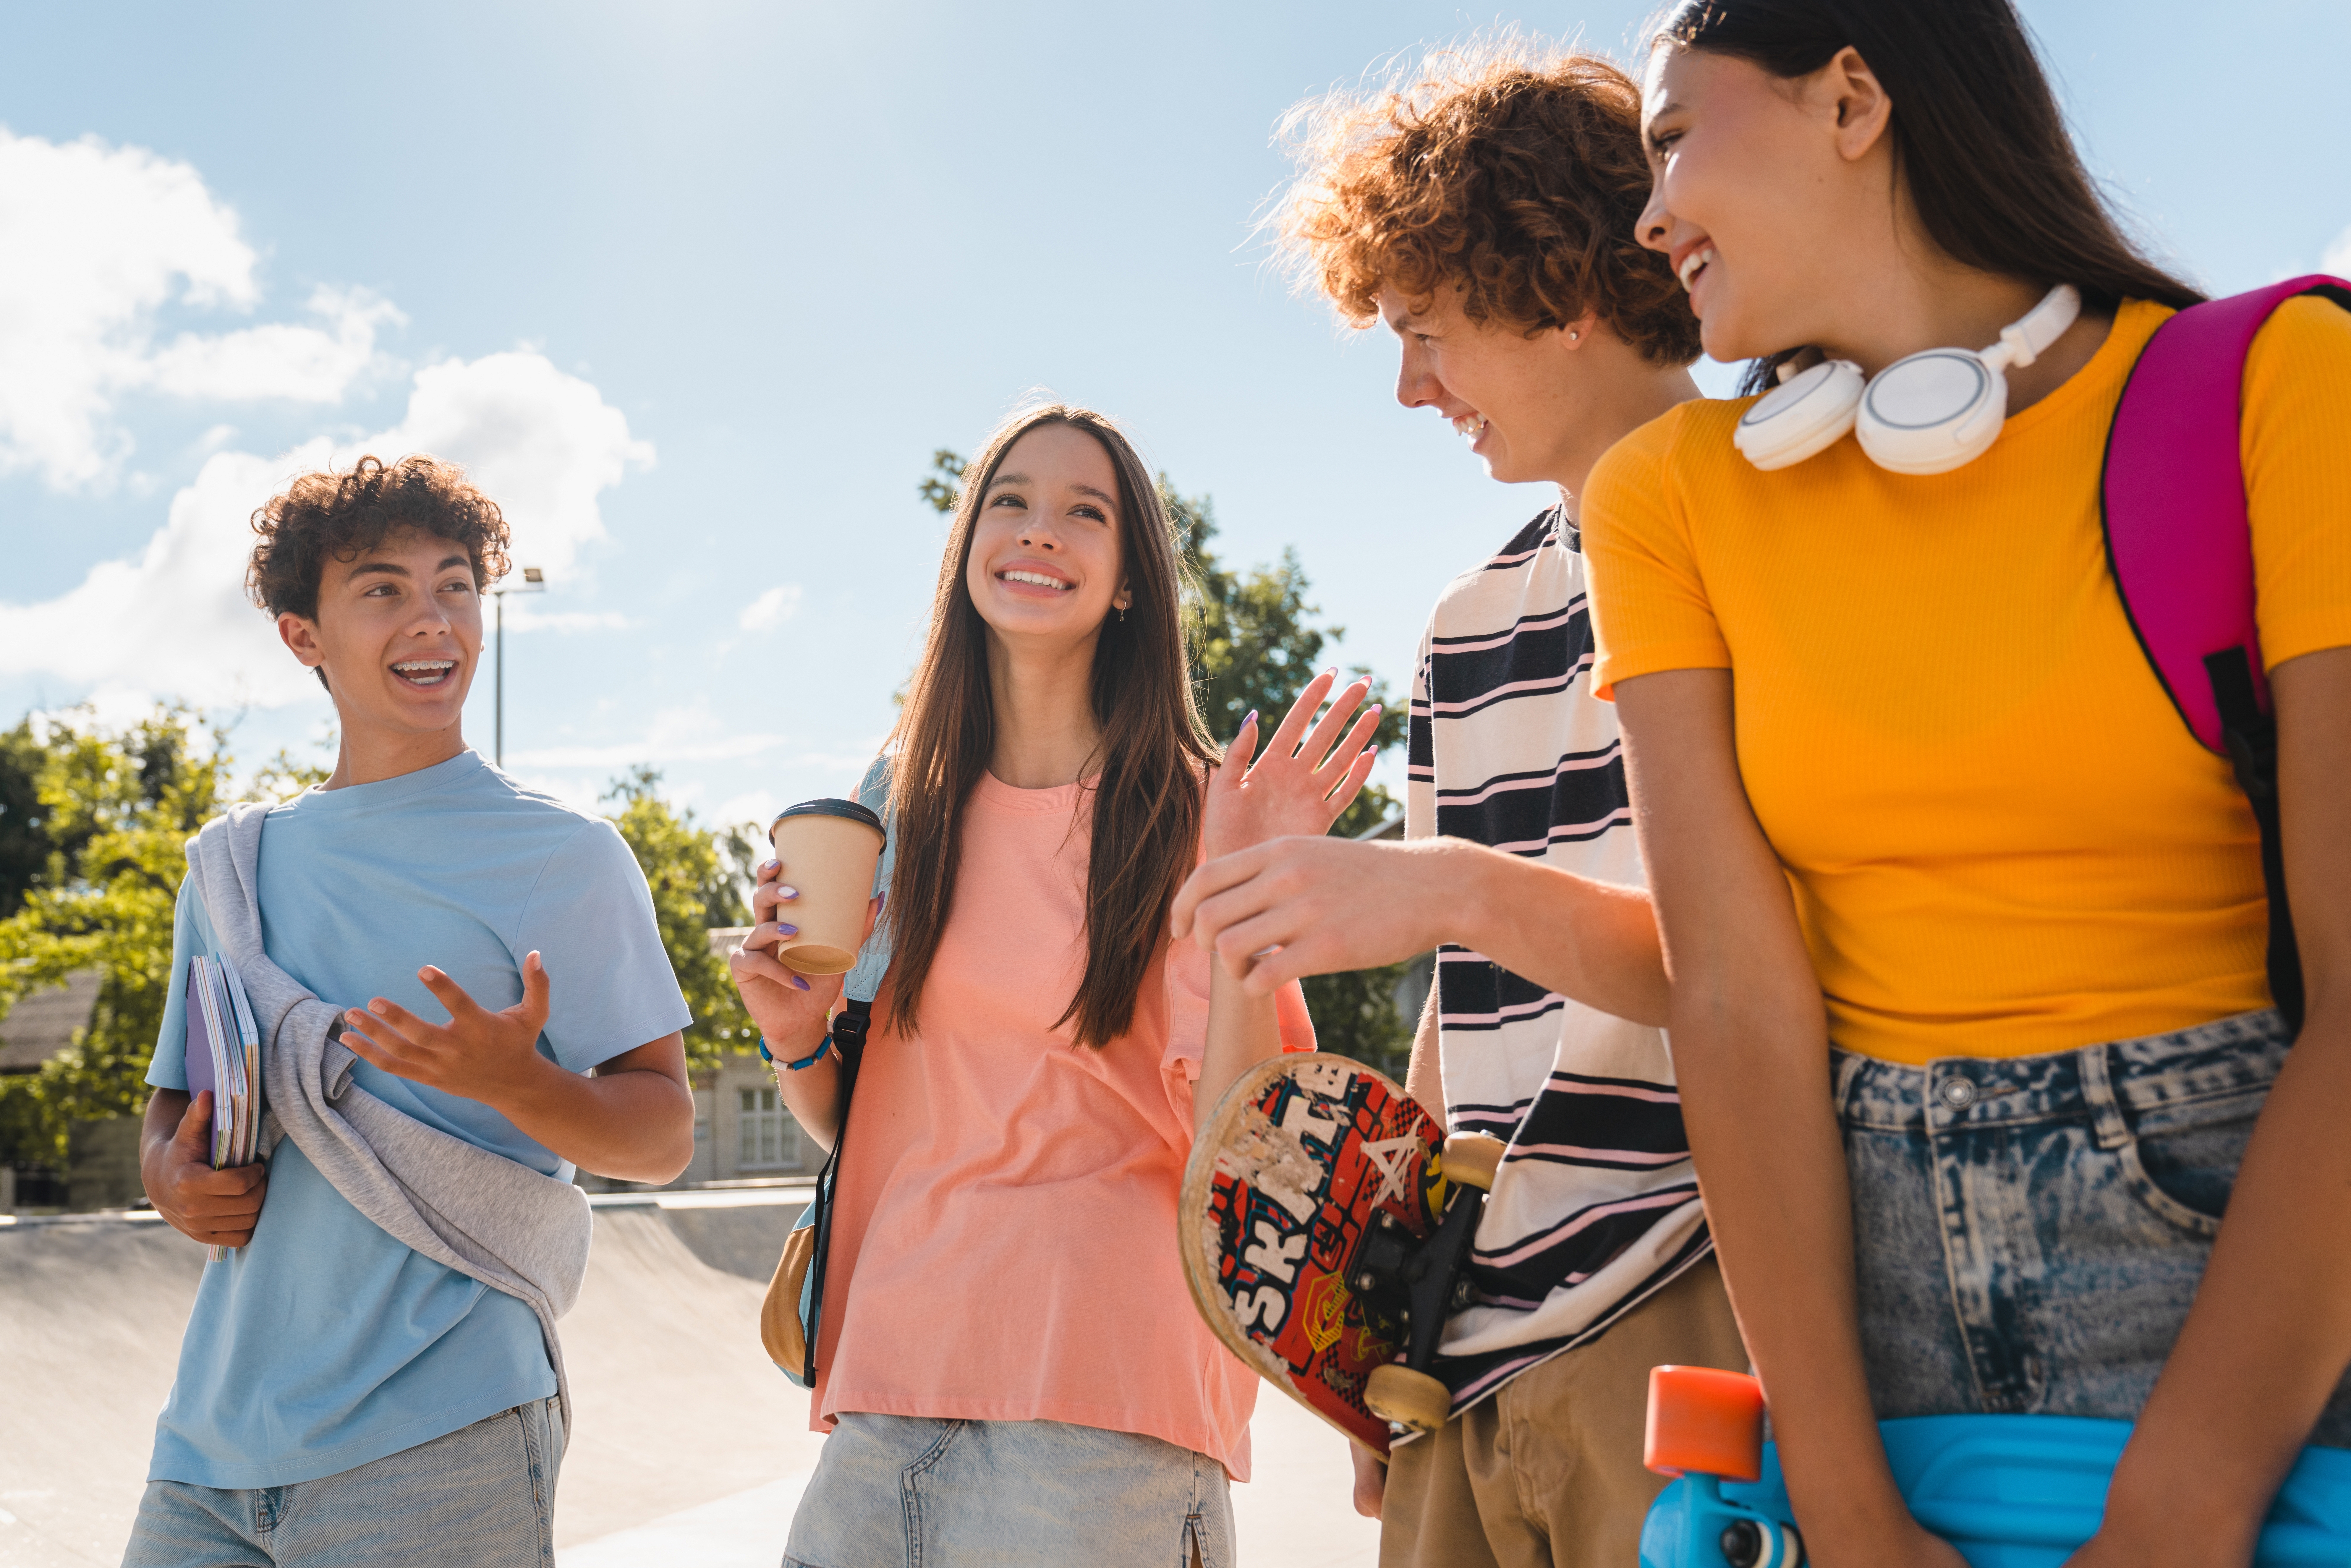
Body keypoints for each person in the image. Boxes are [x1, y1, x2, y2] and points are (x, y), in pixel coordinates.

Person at [1579, 1, 2351, 1563]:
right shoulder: (1661, 501)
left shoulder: (2286, 382)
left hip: (2252, 1300)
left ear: (1852, 98)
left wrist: (2182, 1509)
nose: (1650, 218)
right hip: (1867, 1312)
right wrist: (1852, 1513)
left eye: (1673, 140)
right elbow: (1730, 995)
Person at [1173, 42, 1748, 1568]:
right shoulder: (1466, 620)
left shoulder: (1783, 522)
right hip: (1465, 1349)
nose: (1410, 385)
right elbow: (1459, 1008)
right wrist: (1389, 1321)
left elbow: (1767, 966)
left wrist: (1441, 889)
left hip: (1699, 1309)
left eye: (1426, 330)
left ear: (1559, 286)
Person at [727, 403, 1383, 1568]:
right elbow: (867, 1121)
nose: (1040, 533)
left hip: (1103, 1411)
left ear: (1129, 582)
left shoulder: (1193, 814)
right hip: (885, 1390)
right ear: (967, 545)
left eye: (1086, 514)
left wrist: (1241, 891)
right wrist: (795, 1040)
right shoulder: (899, 807)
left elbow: (1250, 1149)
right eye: (1010, 501)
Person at [129, 455, 697, 1568]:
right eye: (384, 589)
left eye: (456, 585)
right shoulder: (233, 869)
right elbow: (172, 1109)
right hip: (209, 1446)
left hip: (442, 1431)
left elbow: (663, 1135)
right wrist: (168, 1178)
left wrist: (517, 1082)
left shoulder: (564, 857)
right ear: (305, 637)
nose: (433, 619)